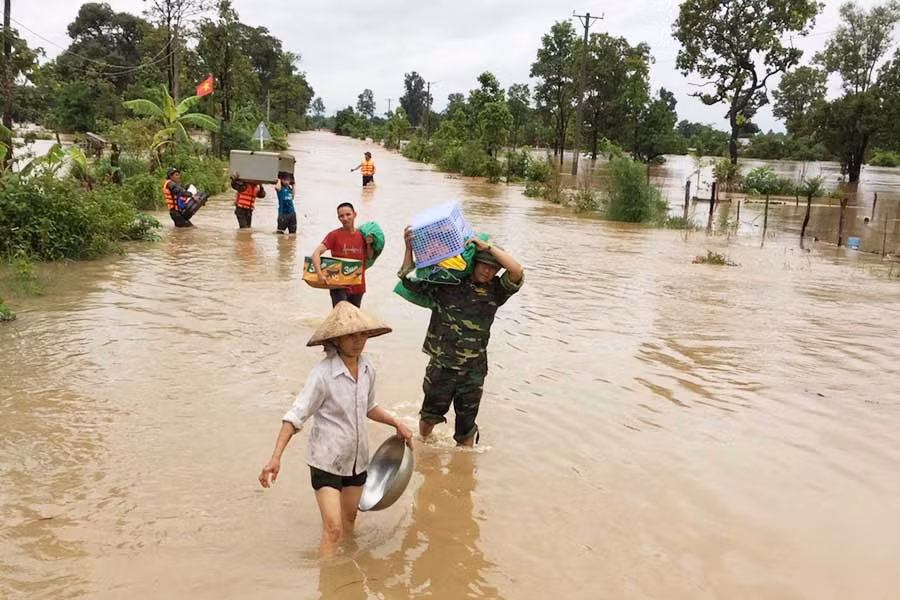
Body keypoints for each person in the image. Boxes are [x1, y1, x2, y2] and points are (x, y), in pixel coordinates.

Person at [258, 301, 413, 559]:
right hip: (326, 462)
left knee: (349, 525)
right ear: (336, 339)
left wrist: (396, 423)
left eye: (362, 334)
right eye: (351, 335)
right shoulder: (322, 374)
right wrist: (275, 457)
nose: (358, 340)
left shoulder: (367, 368)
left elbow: (369, 406)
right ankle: (327, 586)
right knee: (332, 528)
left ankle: (348, 572)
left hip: (357, 462)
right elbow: (295, 416)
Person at [397, 229, 524, 446]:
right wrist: (409, 248)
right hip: (442, 365)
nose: (487, 271)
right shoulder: (447, 284)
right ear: (473, 263)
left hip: (473, 370)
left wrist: (489, 248)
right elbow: (409, 279)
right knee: (429, 416)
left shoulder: (496, 291)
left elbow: (517, 271)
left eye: (493, 268)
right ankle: (424, 444)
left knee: (466, 428)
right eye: (484, 264)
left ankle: (463, 465)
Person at [311, 202, 375, 308]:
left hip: (358, 286)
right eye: (341, 216)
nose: (345, 218)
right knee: (341, 317)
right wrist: (319, 274)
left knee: (354, 320)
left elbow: (369, 257)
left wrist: (369, 244)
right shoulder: (334, 235)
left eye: (348, 214)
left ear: (355, 214)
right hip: (337, 285)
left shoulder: (363, 235)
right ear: (338, 218)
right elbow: (315, 254)